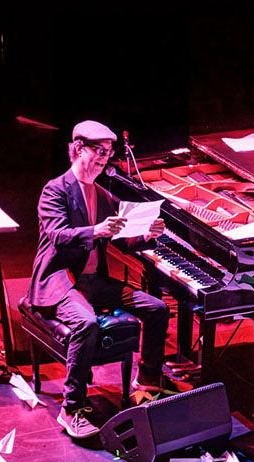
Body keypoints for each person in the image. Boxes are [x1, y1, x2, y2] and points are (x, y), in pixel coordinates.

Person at [28, 120, 171, 438]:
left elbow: (123, 241)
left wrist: (147, 235)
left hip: (95, 282)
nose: (105, 158)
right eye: (99, 151)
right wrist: (96, 230)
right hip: (61, 281)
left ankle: (146, 383)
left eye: (108, 153)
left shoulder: (103, 195)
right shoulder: (55, 190)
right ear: (78, 149)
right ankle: (71, 408)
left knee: (157, 308)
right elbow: (59, 236)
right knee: (86, 323)